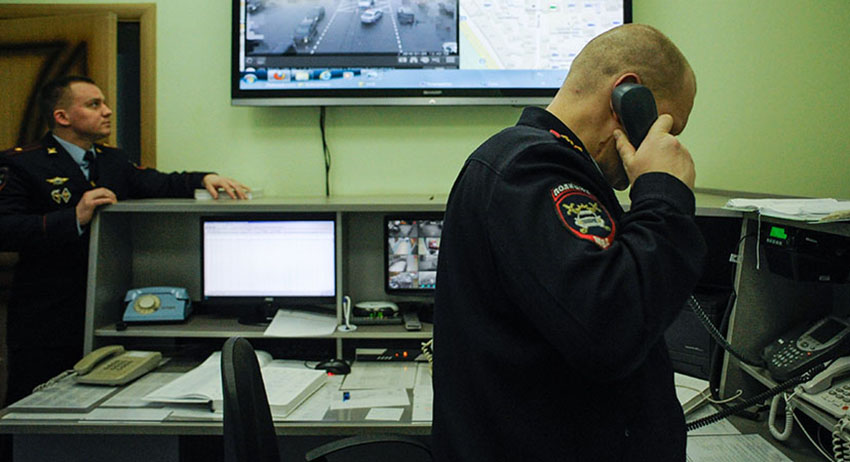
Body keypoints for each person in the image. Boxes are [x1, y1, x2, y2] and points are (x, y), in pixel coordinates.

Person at [431, 24, 707, 461]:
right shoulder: (532, 170)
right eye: (668, 127)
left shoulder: (542, 166)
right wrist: (664, 193)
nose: (667, 144)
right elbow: (611, 328)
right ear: (627, 99)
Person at [0, 75, 249, 405]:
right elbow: (6, 229)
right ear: (62, 116)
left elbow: (159, 184)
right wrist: (74, 217)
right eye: (94, 105)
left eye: (104, 103)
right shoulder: (22, 163)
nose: (107, 111)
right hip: (45, 315)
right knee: (33, 408)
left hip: (103, 310)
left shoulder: (112, 160)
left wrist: (205, 178)